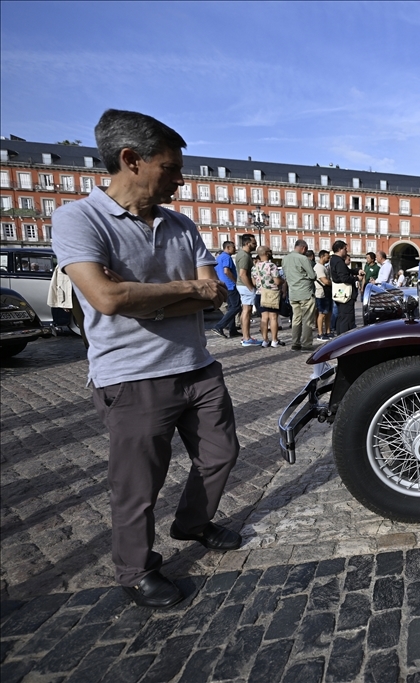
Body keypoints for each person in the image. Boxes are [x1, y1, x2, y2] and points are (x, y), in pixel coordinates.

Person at [51, 109, 242, 609]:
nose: (181, 179)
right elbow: (106, 298)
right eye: (170, 168)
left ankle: (193, 523)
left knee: (221, 454)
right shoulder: (78, 219)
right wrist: (184, 290)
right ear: (131, 160)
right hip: (132, 375)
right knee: (138, 485)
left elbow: (214, 294)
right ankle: (136, 570)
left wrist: (144, 299)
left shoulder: (181, 223)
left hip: (197, 365)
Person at [281, 239, 318, 351]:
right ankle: (306, 344)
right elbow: (312, 276)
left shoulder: (285, 259)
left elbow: (285, 276)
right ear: (304, 248)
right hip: (305, 292)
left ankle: (295, 343)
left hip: (293, 293)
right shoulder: (303, 259)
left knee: (296, 318)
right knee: (307, 319)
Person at [252, 245, 284, 348]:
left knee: (264, 318)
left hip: (259, 294)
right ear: (266, 253)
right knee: (273, 317)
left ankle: (265, 340)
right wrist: (283, 281)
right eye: (269, 251)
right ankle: (274, 340)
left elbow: (254, 282)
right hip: (271, 294)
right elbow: (277, 281)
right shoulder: (271, 266)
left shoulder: (255, 267)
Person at [234, 233, 260, 346]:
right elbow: (243, 274)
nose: (256, 245)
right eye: (254, 243)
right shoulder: (244, 256)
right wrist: (251, 288)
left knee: (246, 310)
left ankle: (246, 337)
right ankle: (246, 338)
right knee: (247, 311)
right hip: (245, 286)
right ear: (248, 243)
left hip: (243, 285)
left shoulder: (244, 254)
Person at [212, 241, 240, 338]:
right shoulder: (227, 257)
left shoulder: (218, 258)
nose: (235, 249)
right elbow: (226, 271)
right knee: (236, 307)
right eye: (233, 247)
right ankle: (219, 326)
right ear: (228, 247)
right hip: (230, 285)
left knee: (231, 307)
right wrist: (235, 281)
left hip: (223, 285)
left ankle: (233, 330)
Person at [330, 240, 357, 334]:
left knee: (341, 316)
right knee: (347, 317)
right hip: (346, 294)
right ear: (340, 249)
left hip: (339, 293)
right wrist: (356, 278)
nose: (347, 251)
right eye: (345, 249)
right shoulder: (339, 261)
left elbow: (346, 271)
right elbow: (344, 277)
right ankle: (345, 336)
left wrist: (356, 271)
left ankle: (340, 335)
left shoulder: (334, 260)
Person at [314, 250, 333, 341]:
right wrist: (333, 283)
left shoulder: (323, 267)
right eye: (327, 257)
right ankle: (320, 333)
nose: (328, 258)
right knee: (322, 314)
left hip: (326, 292)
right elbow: (325, 281)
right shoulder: (319, 268)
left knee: (328, 313)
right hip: (321, 293)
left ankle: (328, 331)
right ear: (322, 256)